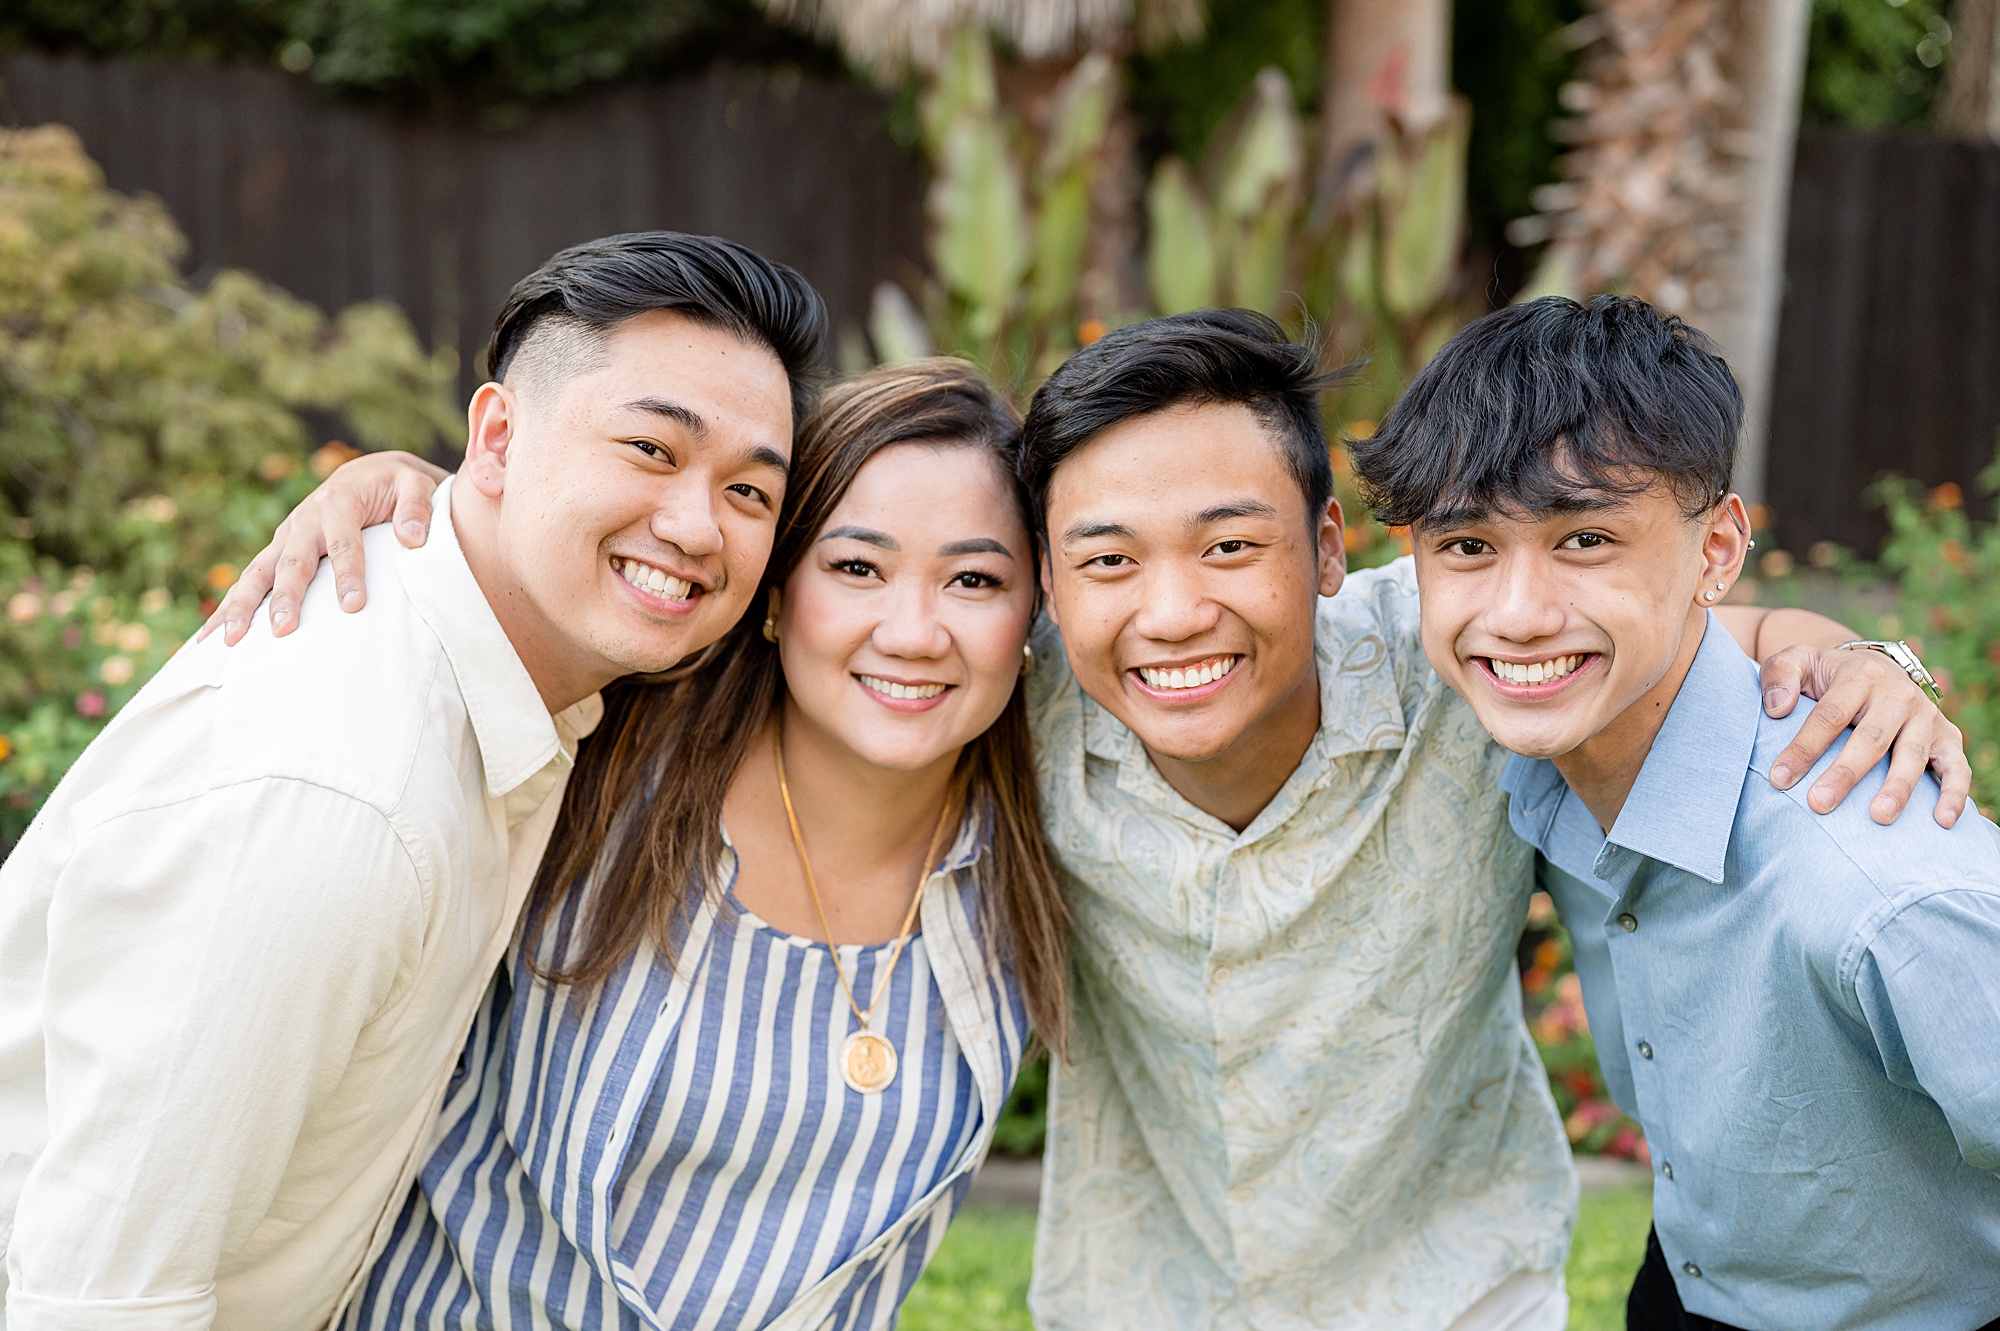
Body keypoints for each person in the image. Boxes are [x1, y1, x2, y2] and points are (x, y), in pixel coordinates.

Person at [220, 311, 1970, 1330]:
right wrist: (428, 500)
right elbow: (711, 589)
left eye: (1230, 547)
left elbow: (1617, 631)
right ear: (1048, 587)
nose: (1175, 611)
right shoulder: (1006, 703)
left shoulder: (1451, 668)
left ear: (1331, 553)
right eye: (1105, 562)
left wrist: (1832, 649)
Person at [0, 231, 824, 1329]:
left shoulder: (531, 681)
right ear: (496, 434)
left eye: (750, 492)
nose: (695, 525)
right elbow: (100, 1298)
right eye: (650, 451)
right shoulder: (342, 792)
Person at [342, 358, 1065, 1328]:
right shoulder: (608, 749)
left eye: (973, 578)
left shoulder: (1046, 838)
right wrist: (394, 491)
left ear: (1034, 611)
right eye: (856, 567)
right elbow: (498, 582)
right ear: (774, 587)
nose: (913, 629)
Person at [1352, 295, 2000, 1331]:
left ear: (1716, 549)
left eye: (1585, 539)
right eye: (1466, 544)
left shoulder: (1879, 892)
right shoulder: (1547, 741)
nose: (1516, 614)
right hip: (1692, 1280)